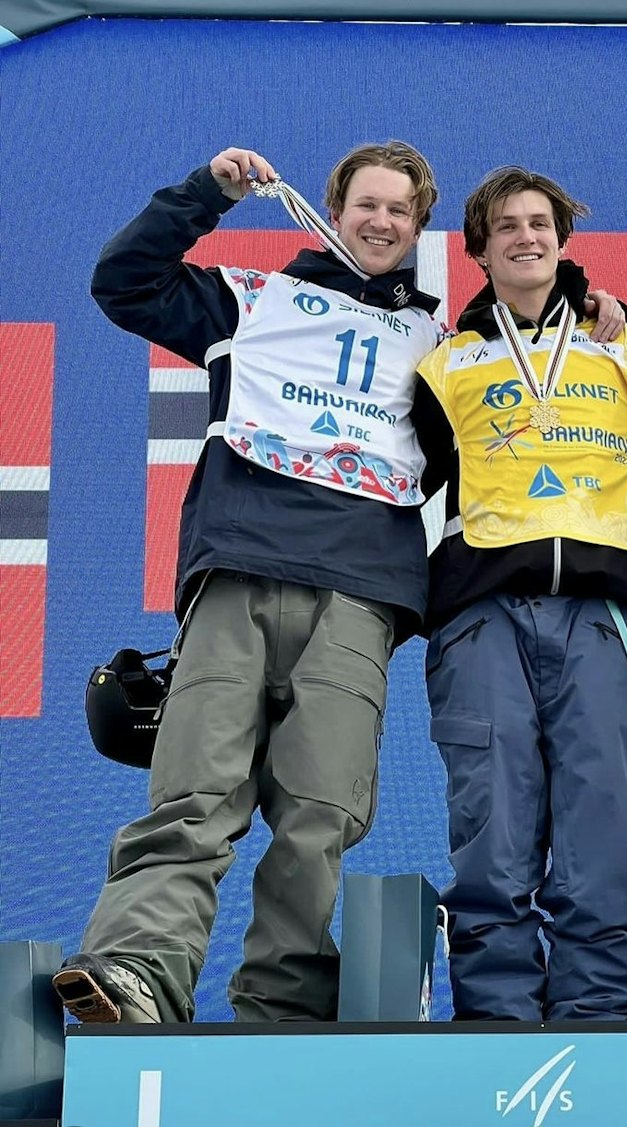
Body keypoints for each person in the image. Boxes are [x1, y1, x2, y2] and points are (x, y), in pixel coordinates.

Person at [52, 141, 448, 1024]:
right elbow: (123, 281)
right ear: (334, 211)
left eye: (400, 210)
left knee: (320, 815)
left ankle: (284, 1009)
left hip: (358, 595)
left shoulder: (441, 348)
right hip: (239, 569)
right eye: (367, 204)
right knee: (194, 794)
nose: (381, 221)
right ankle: (140, 971)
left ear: (419, 228)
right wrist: (207, 192)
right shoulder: (253, 299)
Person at [412, 167, 627, 1021]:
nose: (526, 236)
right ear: (478, 251)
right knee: (491, 832)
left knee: (609, 834)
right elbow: (399, 482)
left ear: (563, 242)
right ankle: (498, 1024)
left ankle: (599, 1023)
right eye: (506, 226)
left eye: (541, 224)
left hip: (604, 618)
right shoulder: (443, 365)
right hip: (482, 617)